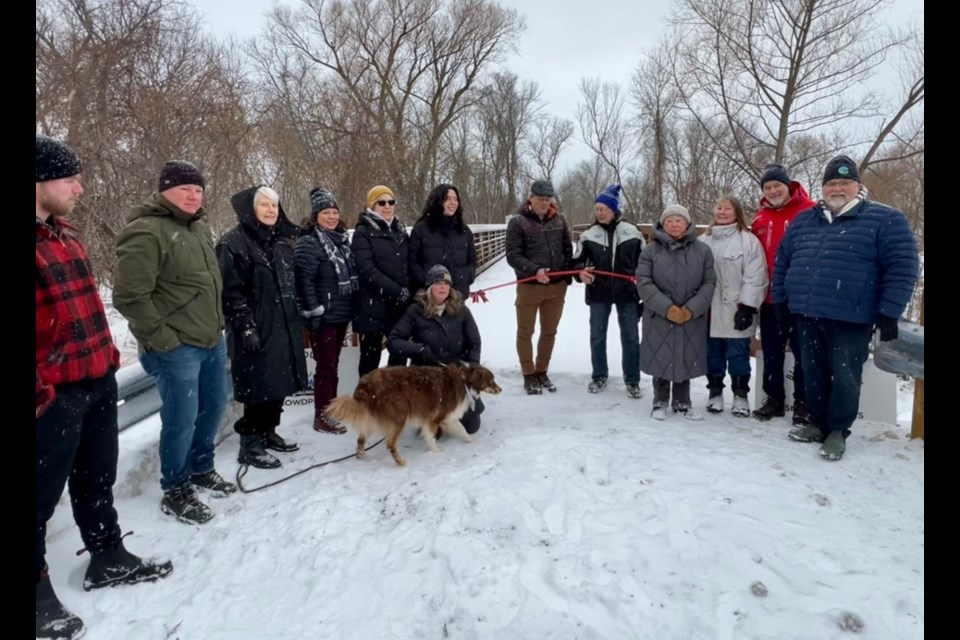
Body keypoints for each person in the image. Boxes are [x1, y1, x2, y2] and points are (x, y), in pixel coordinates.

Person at [36, 135, 172, 639]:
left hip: (94, 383)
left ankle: (107, 555)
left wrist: (107, 364)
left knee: (96, 479)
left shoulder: (66, 235)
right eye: (69, 177)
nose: (80, 186)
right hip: (52, 397)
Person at [113, 160, 237, 525]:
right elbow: (130, 296)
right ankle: (176, 486)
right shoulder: (146, 231)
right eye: (185, 188)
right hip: (176, 347)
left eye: (198, 190)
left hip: (211, 339)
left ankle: (201, 467)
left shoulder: (199, 228)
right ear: (164, 190)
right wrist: (164, 340)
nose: (193, 196)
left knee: (213, 407)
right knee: (181, 419)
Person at [773, 155, 919, 460]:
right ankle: (817, 422)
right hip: (807, 313)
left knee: (845, 376)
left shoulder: (884, 220)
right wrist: (782, 301)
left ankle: (838, 430)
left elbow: (903, 267)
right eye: (831, 183)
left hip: (852, 317)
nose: (837, 188)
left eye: (844, 182)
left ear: (858, 186)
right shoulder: (805, 220)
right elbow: (783, 263)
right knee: (811, 371)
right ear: (823, 187)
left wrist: (889, 311)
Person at [217, 185, 308, 468]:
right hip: (255, 328)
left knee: (279, 383)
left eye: (275, 205)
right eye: (265, 205)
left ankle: (269, 432)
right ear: (250, 209)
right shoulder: (233, 244)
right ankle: (250, 444)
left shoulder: (280, 243)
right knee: (259, 387)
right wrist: (246, 327)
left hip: (284, 325)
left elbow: (291, 284)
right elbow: (230, 294)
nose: (271, 210)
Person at [635, 204, 716, 421]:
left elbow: (709, 283)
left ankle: (682, 402)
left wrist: (691, 309)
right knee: (661, 355)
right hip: (659, 314)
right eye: (669, 220)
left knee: (685, 355)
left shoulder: (703, 251)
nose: (674, 224)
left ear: (687, 223)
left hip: (690, 316)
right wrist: (667, 307)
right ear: (663, 223)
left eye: (679, 220)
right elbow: (643, 282)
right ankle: (659, 400)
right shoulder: (650, 251)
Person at [751, 163, 815, 423]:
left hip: (801, 297)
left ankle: (803, 401)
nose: (773, 190)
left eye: (777, 185)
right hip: (770, 297)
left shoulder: (810, 211)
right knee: (772, 350)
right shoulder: (759, 217)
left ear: (788, 186)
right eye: (768, 187)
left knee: (804, 352)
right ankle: (774, 398)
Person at [388, 264, 485, 433]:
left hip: (455, 373)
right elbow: (394, 341)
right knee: (433, 431)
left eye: (447, 283)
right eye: (439, 283)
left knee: (471, 427)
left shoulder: (461, 311)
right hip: (426, 375)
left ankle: (463, 407)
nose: (443, 287)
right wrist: (419, 350)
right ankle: (431, 413)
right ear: (430, 287)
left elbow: (474, 342)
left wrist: (471, 367)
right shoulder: (415, 311)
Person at [294, 187, 359, 434]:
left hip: (340, 314)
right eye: (326, 212)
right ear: (315, 216)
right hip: (324, 317)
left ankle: (331, 409)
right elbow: (304, 282)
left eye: (334, 212)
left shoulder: (341, 241)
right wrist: (315, 312)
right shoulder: (309, 243)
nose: (331, 217)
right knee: (326, 367)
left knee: (333, 364)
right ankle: (322, 415)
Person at [699, 195, 768, 416]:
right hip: (710, 310)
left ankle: (740, 395)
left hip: (736, 309)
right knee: (713, 355)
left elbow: (755, 275)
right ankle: (715, 392)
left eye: (727, 208)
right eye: (718, 207)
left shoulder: (747, 241)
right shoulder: (704, 241)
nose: (721, 212)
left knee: (738, 355)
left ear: (735, 212)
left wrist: (748, 307)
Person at [574, 184, 645, 398]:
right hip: (599, 293)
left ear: (614, 209)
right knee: (597, 336)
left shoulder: (632, 231)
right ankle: (599, 376)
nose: (600, 213)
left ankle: (632, 380)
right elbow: (576, 262)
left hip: (627, 293)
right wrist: (581, 273)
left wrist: (639, 281)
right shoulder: (588, 235)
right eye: (597, 209)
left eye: (603, 208)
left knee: (631, 337)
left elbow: (644, 262)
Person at [505, 179, 573, 394]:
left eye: (547, 199)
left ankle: (542, 371)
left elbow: (567, 250)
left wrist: (572, 273)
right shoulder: (518, 222)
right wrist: (534, 270)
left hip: (557, 286)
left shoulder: (560, 220)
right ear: (530, 198)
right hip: (530, 286)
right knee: (526, 331)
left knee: (549, 331)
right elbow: (513, 255)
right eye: (540, 199)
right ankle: (528, 373)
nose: (544, 203)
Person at [352, 185, 411, 378]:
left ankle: (393, 402)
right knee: (370, 360)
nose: (387, 206)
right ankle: (366, 404)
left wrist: (409, 289)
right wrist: (396, 290)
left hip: (398, 307)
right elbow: (367, 269)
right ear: (372, 205)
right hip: (372, 306)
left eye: (391, 202)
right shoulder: (363, 231)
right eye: (382, 202)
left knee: (399, 357)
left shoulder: (400, 230)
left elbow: (409, 263)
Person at [409, 183, 477, 298]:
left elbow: (472, 262)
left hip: (457, 296)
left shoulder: (464, 231)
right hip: (430, 298)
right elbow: (412, 263)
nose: (453, 203)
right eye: (447, 199)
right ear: (437, 201)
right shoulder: (421, 229)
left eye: (455, 199)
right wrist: (430, 282)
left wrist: (465, 278)